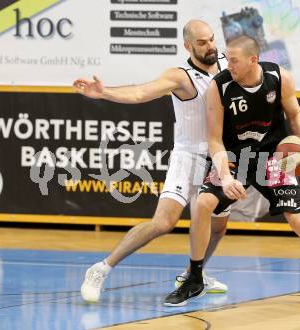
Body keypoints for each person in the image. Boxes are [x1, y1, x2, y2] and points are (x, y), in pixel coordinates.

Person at [164, 36, 300, 306]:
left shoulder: (278, 77)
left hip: (274, 158)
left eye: (233, 60)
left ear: (253, 60)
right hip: (234, 158)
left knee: (299, 220)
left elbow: (296, 113)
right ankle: (194, 279)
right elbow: (214, 139)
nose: (227, 65)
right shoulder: (219, 86)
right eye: (227, 59)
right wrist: (226, 176)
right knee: (204, 204)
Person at [73, 20, 230, 303]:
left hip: (219, 157)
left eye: (211, 40)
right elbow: (139, 92)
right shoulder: (181, 77)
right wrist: (104, 92)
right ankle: (101, 268)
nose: (210, 46)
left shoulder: (224, 61)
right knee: (163, 222)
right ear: (188, 46)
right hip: (189, 156)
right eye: (202, 43)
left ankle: (192, 275)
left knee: (218, 226)